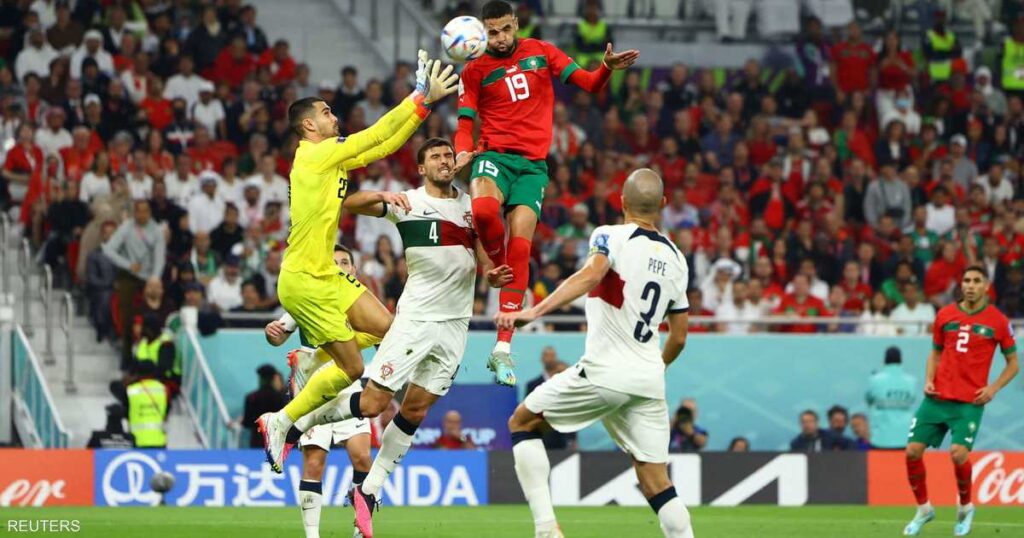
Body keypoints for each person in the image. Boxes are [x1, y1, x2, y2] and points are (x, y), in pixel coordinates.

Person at [274, 138, 509, 536]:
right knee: (372, 404)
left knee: (415, 411)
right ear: (421, 168)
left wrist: (492, 275)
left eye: (448, 155)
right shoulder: (409, 202)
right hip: (415, 320)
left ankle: (369, 490)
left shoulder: (473, 208)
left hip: (456, 325)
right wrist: (382, 196)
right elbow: (351, 203)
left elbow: (485, 259)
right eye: (435, 157)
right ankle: (294, 425)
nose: (444, 161)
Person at [255, 50, 459, 473]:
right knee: (352, 368)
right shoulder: (314, 155)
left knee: (389, 329)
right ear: (309, 125)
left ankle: (317, 359)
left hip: (327, 273)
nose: (334, 117)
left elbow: (385, 144)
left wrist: (422, 109)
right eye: (326, 112)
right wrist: (419, 96)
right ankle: (283, 419)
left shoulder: (330, 156)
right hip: (303, 279)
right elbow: (374, 134)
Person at [496, 169, 693, 538]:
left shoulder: (610, 235)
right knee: (656, 480)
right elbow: (679, 337)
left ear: (622, 201)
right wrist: (656, 367)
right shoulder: (677, 259)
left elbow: (590, 275)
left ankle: (546, 530)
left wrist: (535, 311)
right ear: (663, 205)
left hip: (605, 371)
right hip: (648, 380)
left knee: (522, 422)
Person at [453, 0, 639, 386]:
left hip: (532, 167)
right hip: (493, 156)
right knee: (484, 212)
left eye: (506, 29)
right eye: (492, 32)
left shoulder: (541, 51)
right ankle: (496, 266)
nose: (500, 38)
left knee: (522, 247)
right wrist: (461, 151)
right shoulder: (473, 70)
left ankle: (502, 348)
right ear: (483, 33)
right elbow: (465, 123)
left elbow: (589, 83)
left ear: (516, 25)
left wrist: (606, 68)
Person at [264, 244, 372, 538]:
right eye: (333, 262)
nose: (339, 266)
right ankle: (312, 535)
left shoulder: (361, 303)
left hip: (349, 383)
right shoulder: (308, 297)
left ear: (353, 270)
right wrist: (271, 333)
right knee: (314, 461)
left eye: (344, 262)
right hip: (312, 389)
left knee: (362, 458)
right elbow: (278, 336)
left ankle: (360, 529)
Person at [903, 266, 1019, 537]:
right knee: (912, 452)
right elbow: (935, 353)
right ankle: (924, 509)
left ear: (986, 286)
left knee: (957, 453)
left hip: (969, 402)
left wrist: (993, 388)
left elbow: (1013, 364)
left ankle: (966, 507)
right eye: (966, 280)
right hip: (937, 397)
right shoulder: (945, 315)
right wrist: (928, 379)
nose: (970, 285)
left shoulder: (998, 321)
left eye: (976, 281)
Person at [103, 200, 166, 368]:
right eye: (139, 211)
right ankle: (126, 358)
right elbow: (108, 250)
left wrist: (155, 277)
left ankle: (152, 357)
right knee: (127, 317)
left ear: (150, 213)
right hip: (129, 276)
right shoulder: (126, 227)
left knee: (153, 315)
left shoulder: (156, 230)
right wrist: (127, 264)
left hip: (150, 277)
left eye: (145, 211)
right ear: (134, 213)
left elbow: (160, 256)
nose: (142, 215)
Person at [866, 346, 916, 450]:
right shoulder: (911, 381)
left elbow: (868, 399)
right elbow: (912, 400)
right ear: (901, 361)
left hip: (880, 438)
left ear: (885, 360)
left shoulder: (875, 380)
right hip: (904, 437)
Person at [242, 364, 288, 449]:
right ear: (273, 378)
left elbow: (246, 423)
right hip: (275, 441)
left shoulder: (251, 397)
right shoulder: (280, 398)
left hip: (256, 441)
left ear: (260, 378)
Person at [126, 360, 169, 448]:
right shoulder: (163, 389)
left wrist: (131, 379)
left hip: (137, 441)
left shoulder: (131, 390)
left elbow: (114, 386)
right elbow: (167, 410)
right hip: (159, 440)